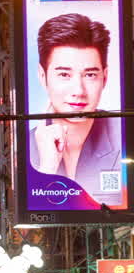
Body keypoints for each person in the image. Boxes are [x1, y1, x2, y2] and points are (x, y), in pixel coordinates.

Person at [28, 12, 122, 205]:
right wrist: (47, 168)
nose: (78, 91)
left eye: (90, 75)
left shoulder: (125, 133)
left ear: (104, 77)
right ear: (43, 76)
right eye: (64, 75)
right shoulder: (23, 145)